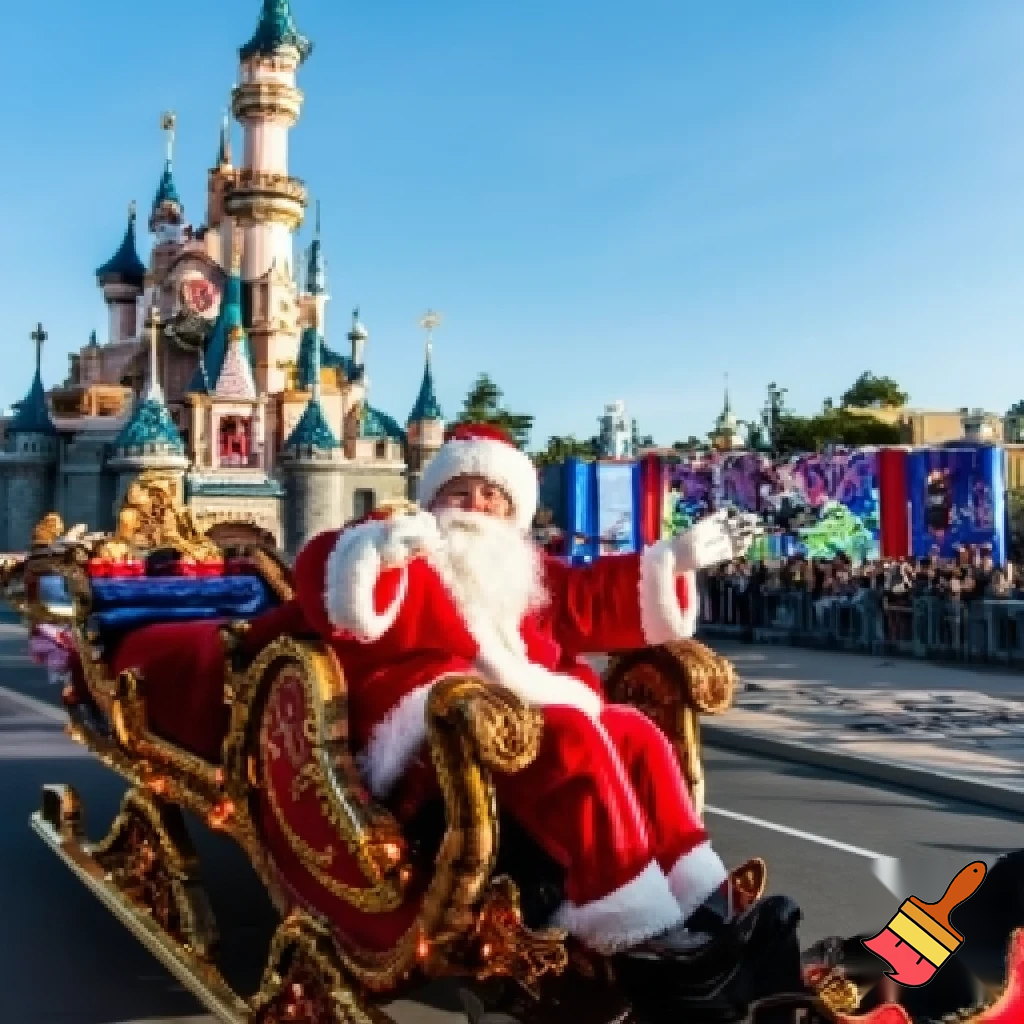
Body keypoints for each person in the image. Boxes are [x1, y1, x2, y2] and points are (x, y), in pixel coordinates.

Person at [292, 423, 803, 1017]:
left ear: (514, 510)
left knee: (634, 731)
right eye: (461, 492)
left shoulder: (524, 571)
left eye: (493, 495)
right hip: (434, 734)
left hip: (522, 716)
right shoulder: (403, 543)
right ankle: (632, 923)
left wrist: (677, 558)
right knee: (570, 734)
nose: (477, 506)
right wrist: (375, 551)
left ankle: (699, 896)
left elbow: (596, 596)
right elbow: (332, 588)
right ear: (433, 498)